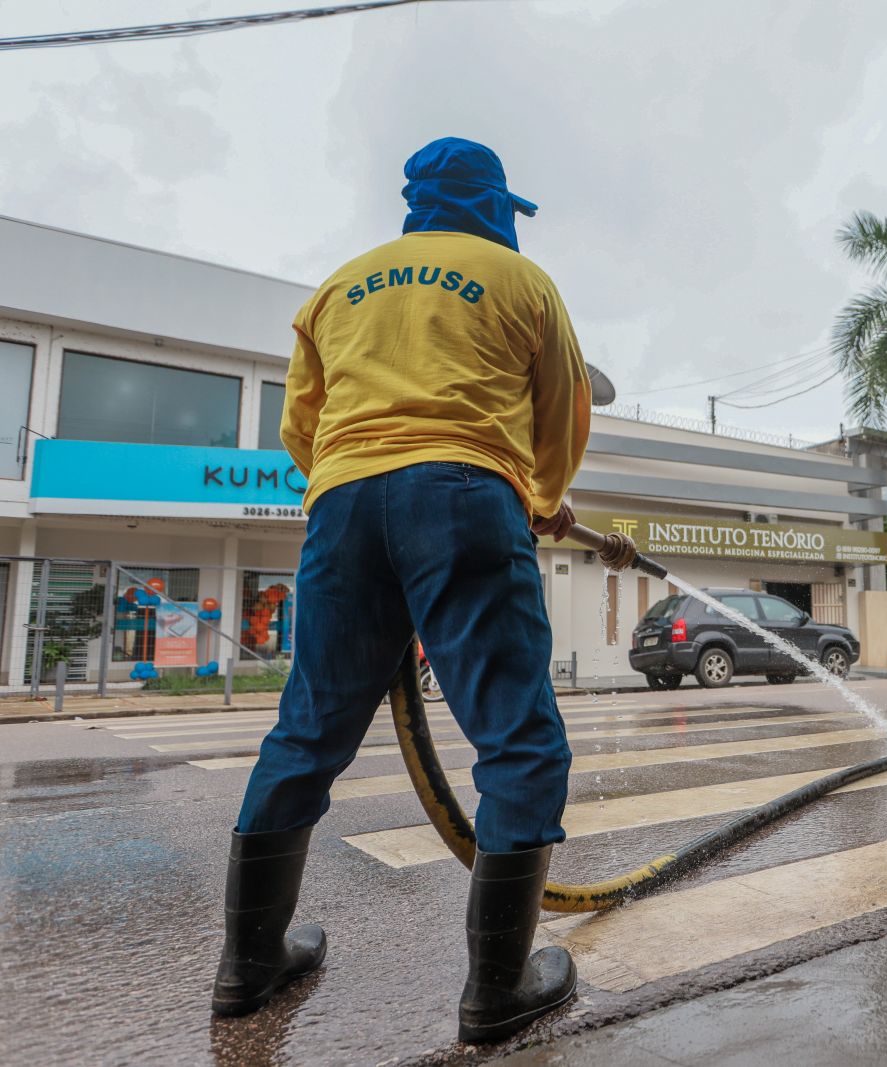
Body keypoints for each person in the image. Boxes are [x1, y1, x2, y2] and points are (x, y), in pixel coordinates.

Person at [210, 137, 591, 1045]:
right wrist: (539, 497)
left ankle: (247, 965)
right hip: (463, 494)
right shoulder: (520, 280)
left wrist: (355, 477)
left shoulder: (337, 289)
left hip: (342, 505)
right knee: (517, 735)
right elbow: (563, 413)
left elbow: (300, 425)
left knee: (308, 728)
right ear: (494, 205)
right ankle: (497, 988)